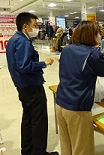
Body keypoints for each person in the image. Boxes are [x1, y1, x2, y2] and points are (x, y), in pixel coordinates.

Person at [55, 21, 104, 155]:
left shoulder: (67, 49)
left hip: (61, 103)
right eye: (97, 33)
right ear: (90, 35)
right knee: (82, 149)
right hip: (77, 108)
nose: (100, 36)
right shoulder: (92, 54)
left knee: (67, 145)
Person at [5, 12, 57, 155]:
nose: (37, 29)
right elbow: (24, 66)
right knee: (39, 120)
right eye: (34, 26)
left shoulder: (13, 40)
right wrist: (43, 63)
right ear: (25, 26)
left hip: (22, 86)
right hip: (31, 86)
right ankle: (39, 152)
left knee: (28, 118)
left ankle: (27, 150)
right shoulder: (23, 42)